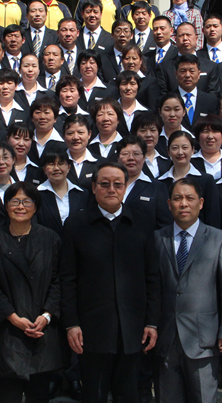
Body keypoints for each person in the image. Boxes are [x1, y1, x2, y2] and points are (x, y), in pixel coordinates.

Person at [59, 163, 160, 403]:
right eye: (104, 184)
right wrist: (71, 323)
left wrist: (152, 322)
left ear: (126, 187)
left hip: (132, 326)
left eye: (118, 184)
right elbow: (68, 278)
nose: (111, 189)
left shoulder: (142, 223)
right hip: (91, 328)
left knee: (128, 393)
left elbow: (152, 277)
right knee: (94, 394)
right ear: (93, 188)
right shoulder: (76, 224)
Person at [155, 177, 222, 403]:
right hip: (166, 337)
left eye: (189, 198)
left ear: (201, 203)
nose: (183, 203)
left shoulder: (220, 240)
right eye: (177, 198)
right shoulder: (156, 239)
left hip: (204, 339)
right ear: (169, 204)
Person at [0, 182, 64, 403]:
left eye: (27, 201)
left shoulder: (50, 238)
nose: (20, 206)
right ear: (6, 206)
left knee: (39, 394)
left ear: (35, 207)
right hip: (7, 331)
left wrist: (46, 316)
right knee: (9, 394)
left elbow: (58, 281)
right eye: (14, 201)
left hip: (42, 329)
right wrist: (13, 317)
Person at [159, 131, 221, 229]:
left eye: (185, 147)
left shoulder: (206, 180)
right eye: (175, 148)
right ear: (168, 152)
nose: (180, 152)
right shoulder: (160, 182)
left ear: (192, 150)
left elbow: (213, 215)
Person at [116, 135, 172, 229]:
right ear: (117, 158)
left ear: (144, 158)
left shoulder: (157, 188)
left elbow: (165, 226)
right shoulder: (107, 186)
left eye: (136, 154)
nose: (131, 158)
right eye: (125, 153)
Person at [155, 24, 222, 99]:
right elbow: (162, 95)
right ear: (175, 39)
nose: (185, 38)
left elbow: (213, 95)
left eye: (188, 35)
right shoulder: (164, 67)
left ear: (196, 38)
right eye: (181, 35)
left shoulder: (210, 66)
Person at [36, 150, 88, 236]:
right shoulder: (36, 194)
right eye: (51, 164)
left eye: (60, 163)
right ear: (45, 170)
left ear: (68, 168)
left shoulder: (82, 194)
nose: (56, 168)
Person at [62, 114, 99, 188]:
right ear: (64, 136)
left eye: (80, 132)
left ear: (89, 134)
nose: (75, 137)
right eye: (70, 133)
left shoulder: (101, 163)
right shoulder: (56, 163)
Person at [29, 97, 65, 165]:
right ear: (32, 118)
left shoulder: (63, 143)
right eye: (38, 112)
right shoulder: (26, 141)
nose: (42, 117)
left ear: (55, 118)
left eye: (46, 112)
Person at [114, 70, 149, 135]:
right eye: (124, 84)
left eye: (132, 84)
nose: (128, 88)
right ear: (118, 87)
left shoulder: (146, 112)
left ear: (138, 86)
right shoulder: (111, 111)